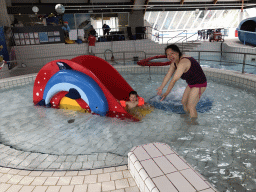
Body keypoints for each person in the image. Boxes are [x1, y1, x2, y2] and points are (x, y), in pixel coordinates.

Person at [156, 44, 207, 118]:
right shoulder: (174, 63)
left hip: (200, 84)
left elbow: (174, 80)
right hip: (191, 84)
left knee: (191, 106)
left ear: (177, 52)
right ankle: (187, 117)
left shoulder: (183, 62)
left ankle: (194, 125)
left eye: (172, 53)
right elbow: (168, 75)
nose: (170, 56)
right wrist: (161, 87)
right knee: (183, 102)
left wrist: (166, 93)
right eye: (168, 55)